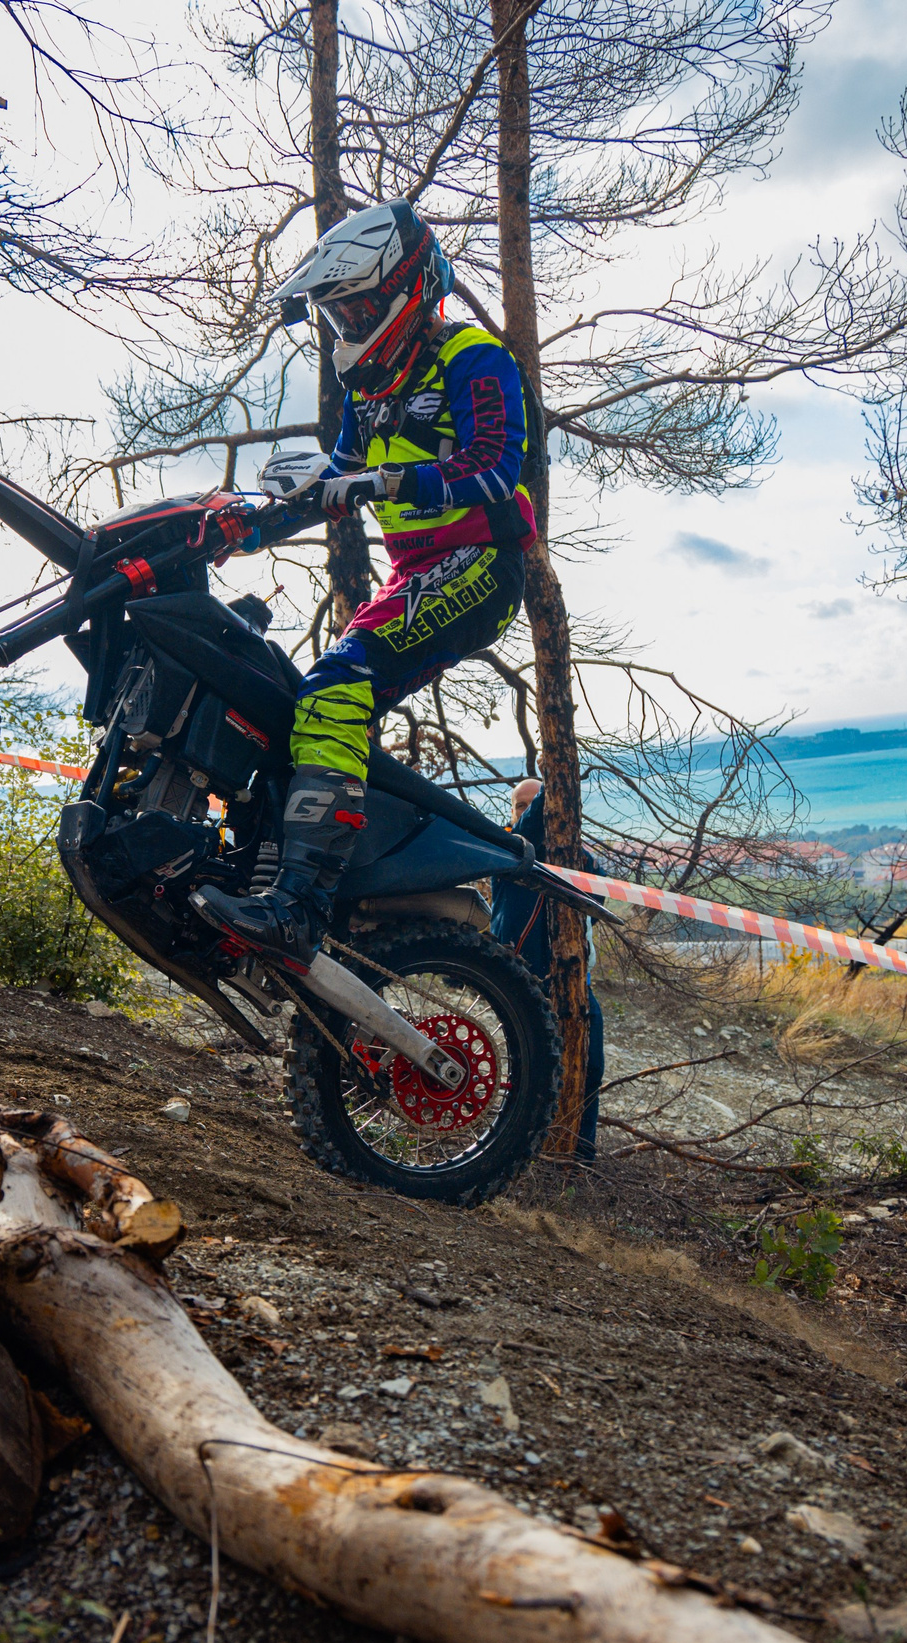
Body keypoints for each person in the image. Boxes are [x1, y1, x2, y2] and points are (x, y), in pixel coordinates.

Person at [194, 202, 532, 966]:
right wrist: (245, 528)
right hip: (417, 571)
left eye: (356, 308)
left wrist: (380, 481)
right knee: (301, 704)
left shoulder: (473, 357)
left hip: (481, 560)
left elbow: (495, 467)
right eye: (336, 312)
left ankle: (299, 908)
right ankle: (290, 883)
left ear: (405, 291)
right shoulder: (370, 391)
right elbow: (332, 486)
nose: (346, 323)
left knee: (336, 686)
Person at [489, 778, 607, 1162]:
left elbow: (597, 895)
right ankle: (517, 1154)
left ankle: (581, 1156)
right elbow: (530, 826)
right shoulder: (505, 846)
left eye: (532, 803)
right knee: (530, 1070)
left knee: (590, 1066)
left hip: (573, 980)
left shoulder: (573, 855)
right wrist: (553, 780)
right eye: (519, 805)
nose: (526, 811)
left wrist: (566, 848)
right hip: (521, 980)